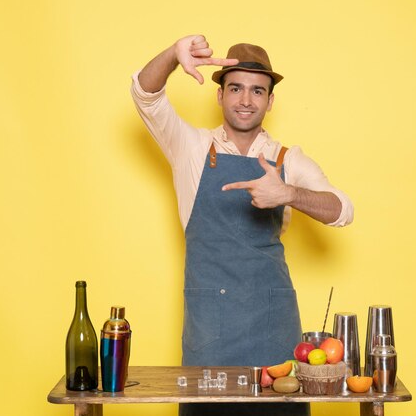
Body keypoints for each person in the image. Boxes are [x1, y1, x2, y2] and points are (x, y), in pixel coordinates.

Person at [131, 35, 353, 416]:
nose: (246, 100)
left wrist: (288, 194)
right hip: (209, 327)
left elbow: (343, 210)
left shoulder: (289, 159)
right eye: (235, 88)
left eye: (257, 91)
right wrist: (173, 54)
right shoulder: (191, 148)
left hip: (273, 324)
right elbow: (144, 94)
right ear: (219, 95)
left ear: (270, 100)